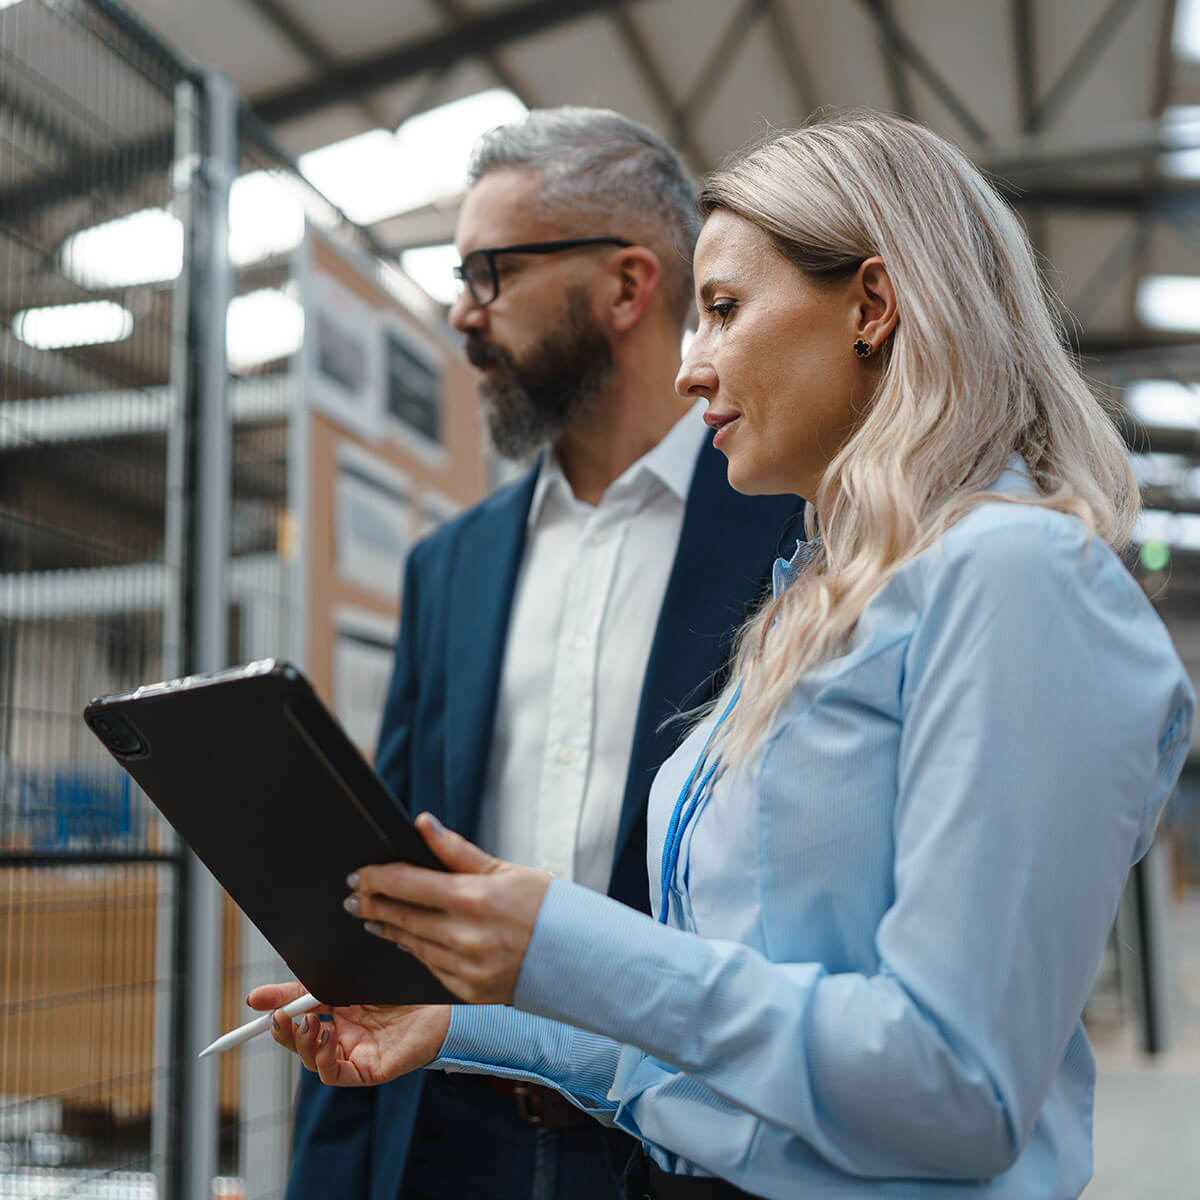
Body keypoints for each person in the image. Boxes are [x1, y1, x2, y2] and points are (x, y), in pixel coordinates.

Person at [254, 111, 1195, 1199]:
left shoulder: (1017, 580)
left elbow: (956, 1086)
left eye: (724, 310)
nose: (691, 368)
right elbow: (732, 1048)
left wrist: (559, 941)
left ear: (873, 306)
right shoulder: (821, 598)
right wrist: (469, 1021)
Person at [282, 108, 800, 1200]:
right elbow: (386, 895)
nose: (465, 312)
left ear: (625, 286)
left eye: (490, 271)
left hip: (682, 1145)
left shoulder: (794, 531)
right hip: (448, 1126)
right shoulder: (452, 566)